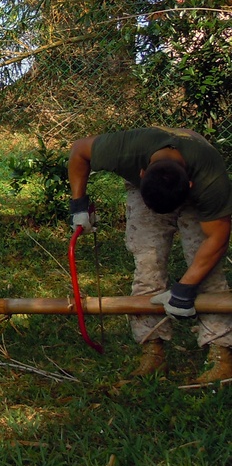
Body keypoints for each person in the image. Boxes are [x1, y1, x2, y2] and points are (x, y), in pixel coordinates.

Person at [68, 126, 232, 383]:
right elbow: (79, 150)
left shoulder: (209, 178)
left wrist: (185, 288)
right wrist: (78, 205)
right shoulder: (125, 150)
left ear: (190, 185)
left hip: (194, 187)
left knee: (206, 270)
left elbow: (218, 238)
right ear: (141, 173)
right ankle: (152, 352)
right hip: (149, 186)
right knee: (147, 266)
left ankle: (221, 353)